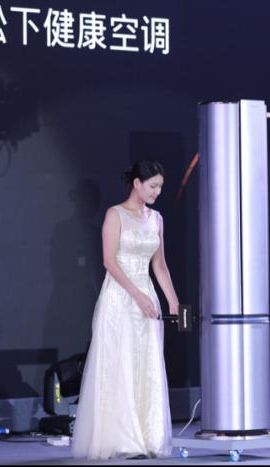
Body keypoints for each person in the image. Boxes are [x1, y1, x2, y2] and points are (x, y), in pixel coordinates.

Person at [71, 160, 180, 460]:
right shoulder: (115, 214)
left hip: (147, 297)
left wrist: (172, 300)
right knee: (120, 362)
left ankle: (148, 436)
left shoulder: (156, 219)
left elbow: (159, 265)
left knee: (146, 363)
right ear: (137, 183)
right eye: (153, 186)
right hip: (120, 297)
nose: (157, 192)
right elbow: (109, 261)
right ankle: (122, 438)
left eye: (160, 187)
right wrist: (136, 295)